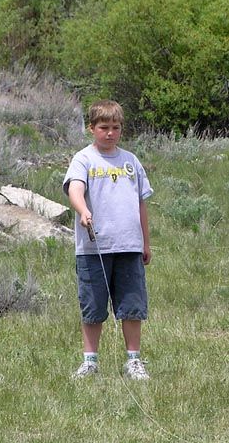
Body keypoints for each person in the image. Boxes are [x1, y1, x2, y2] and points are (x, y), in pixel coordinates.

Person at [63, 100, 153, 380]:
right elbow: (75, 188)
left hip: (129, 246)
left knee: (132, 305)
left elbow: (141, 204)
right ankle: (90, 361)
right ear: (91, 128)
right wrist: (83, 210)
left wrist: (145, 243)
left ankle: (134, 361)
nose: (110, 133)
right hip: (93, 250)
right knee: (93, 306)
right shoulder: (84, 159)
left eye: (116, 127)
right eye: (104, 128)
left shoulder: (131, 161)